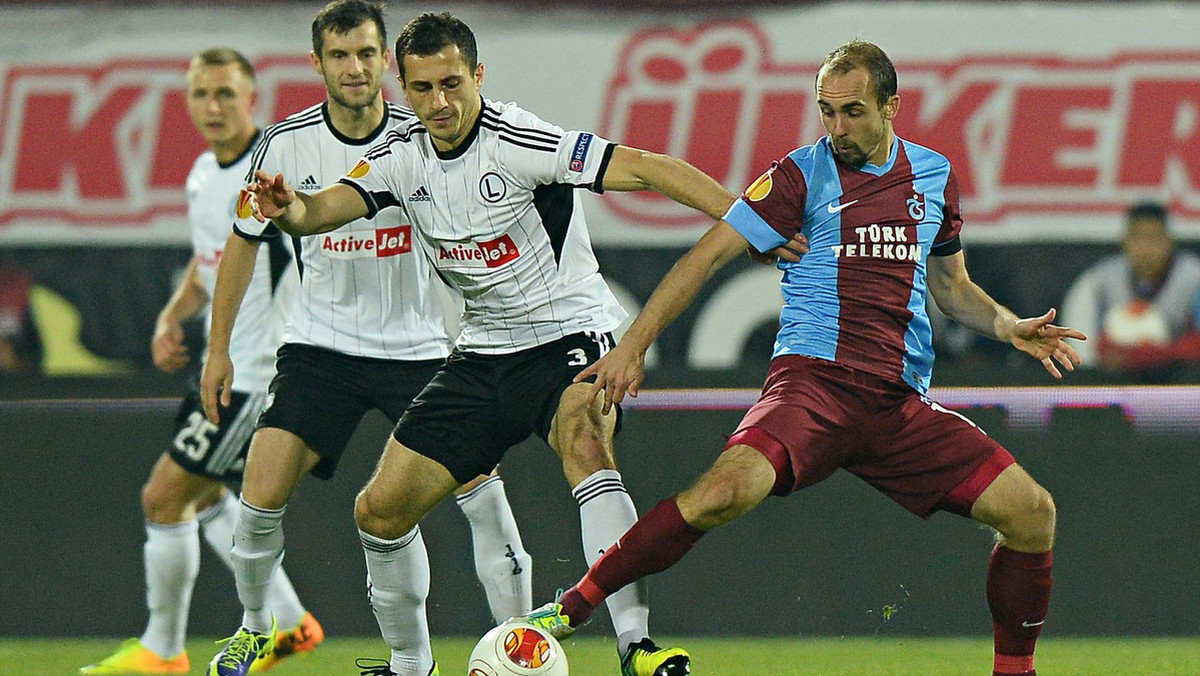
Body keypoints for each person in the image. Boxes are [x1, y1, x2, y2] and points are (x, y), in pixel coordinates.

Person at [235, 12, 808, 676]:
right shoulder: (400, 156)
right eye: (422, 89)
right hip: (483, 353)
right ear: (404, 86)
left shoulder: (519, 140)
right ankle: (408, 666)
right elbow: (321, 211)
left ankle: (637, 648)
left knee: (584, 439)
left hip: (569, 336)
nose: (440, 103)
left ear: (478, 74)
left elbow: (648, 168)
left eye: (453, 83)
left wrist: (748, 218)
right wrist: (290, 208)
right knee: (379, 510)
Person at [519, 40, 1087, 676]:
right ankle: (570, 610)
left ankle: (1015, 671)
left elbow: (951, 288)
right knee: (721, 494)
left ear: (892, 107)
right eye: (826, 112)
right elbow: (706, 257)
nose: (837, 128)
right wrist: (632, 345)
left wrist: (1009, 327)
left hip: (898, 406)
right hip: (813, 387)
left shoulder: (933, 175)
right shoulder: (797, 177)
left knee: (1032, 514)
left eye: (852, 112)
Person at [199, 4, 532, 676]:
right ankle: (254, 628)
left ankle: (521, 644)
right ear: (317, 63)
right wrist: (217, 348)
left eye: (366, 53)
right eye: (340, 55)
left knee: (484, 496)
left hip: (419, 347)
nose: (355, 68)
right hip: (320, 348)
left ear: (387, 61)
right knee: (259, 495)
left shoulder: (426, 135)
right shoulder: (285, 146)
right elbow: (242, 243)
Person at [80, 48, 320, 675]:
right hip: (225, 365)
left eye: (225, 94)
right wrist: (169, 315)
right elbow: (211, 260)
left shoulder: (271, 175)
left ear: (252, 99)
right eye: (200, 95)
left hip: (259, 371)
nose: (212, 107)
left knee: (163, 497)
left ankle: (164, 651)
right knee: (206, 494)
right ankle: (291, 623)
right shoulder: (202, 173)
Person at [1062, 201, 1200, 379]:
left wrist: (1154, 355)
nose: (1146, 248)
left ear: (1169, 241)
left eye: (1154, 238)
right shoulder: (1098, 281)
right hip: (1114, 380)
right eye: (1138, 237)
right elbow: (1079, 345)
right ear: (1125, 240)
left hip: (1176, 378)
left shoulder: (1194, 279)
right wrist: (1108, 351)